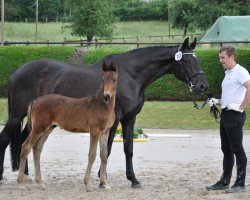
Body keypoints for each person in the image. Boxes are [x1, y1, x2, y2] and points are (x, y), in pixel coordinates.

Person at [206, 46, 250, 193]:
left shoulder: (240, 71)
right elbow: (229, 97)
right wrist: (216, 101)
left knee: (237, 149)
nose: (220, 60)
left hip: (235, 115)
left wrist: (242, 106)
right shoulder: (228, 74)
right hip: (226, 114)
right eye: (220, 57)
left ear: (231, 57)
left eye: (222, 57)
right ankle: (224, 181)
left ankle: (239, 184)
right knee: (226, 150)